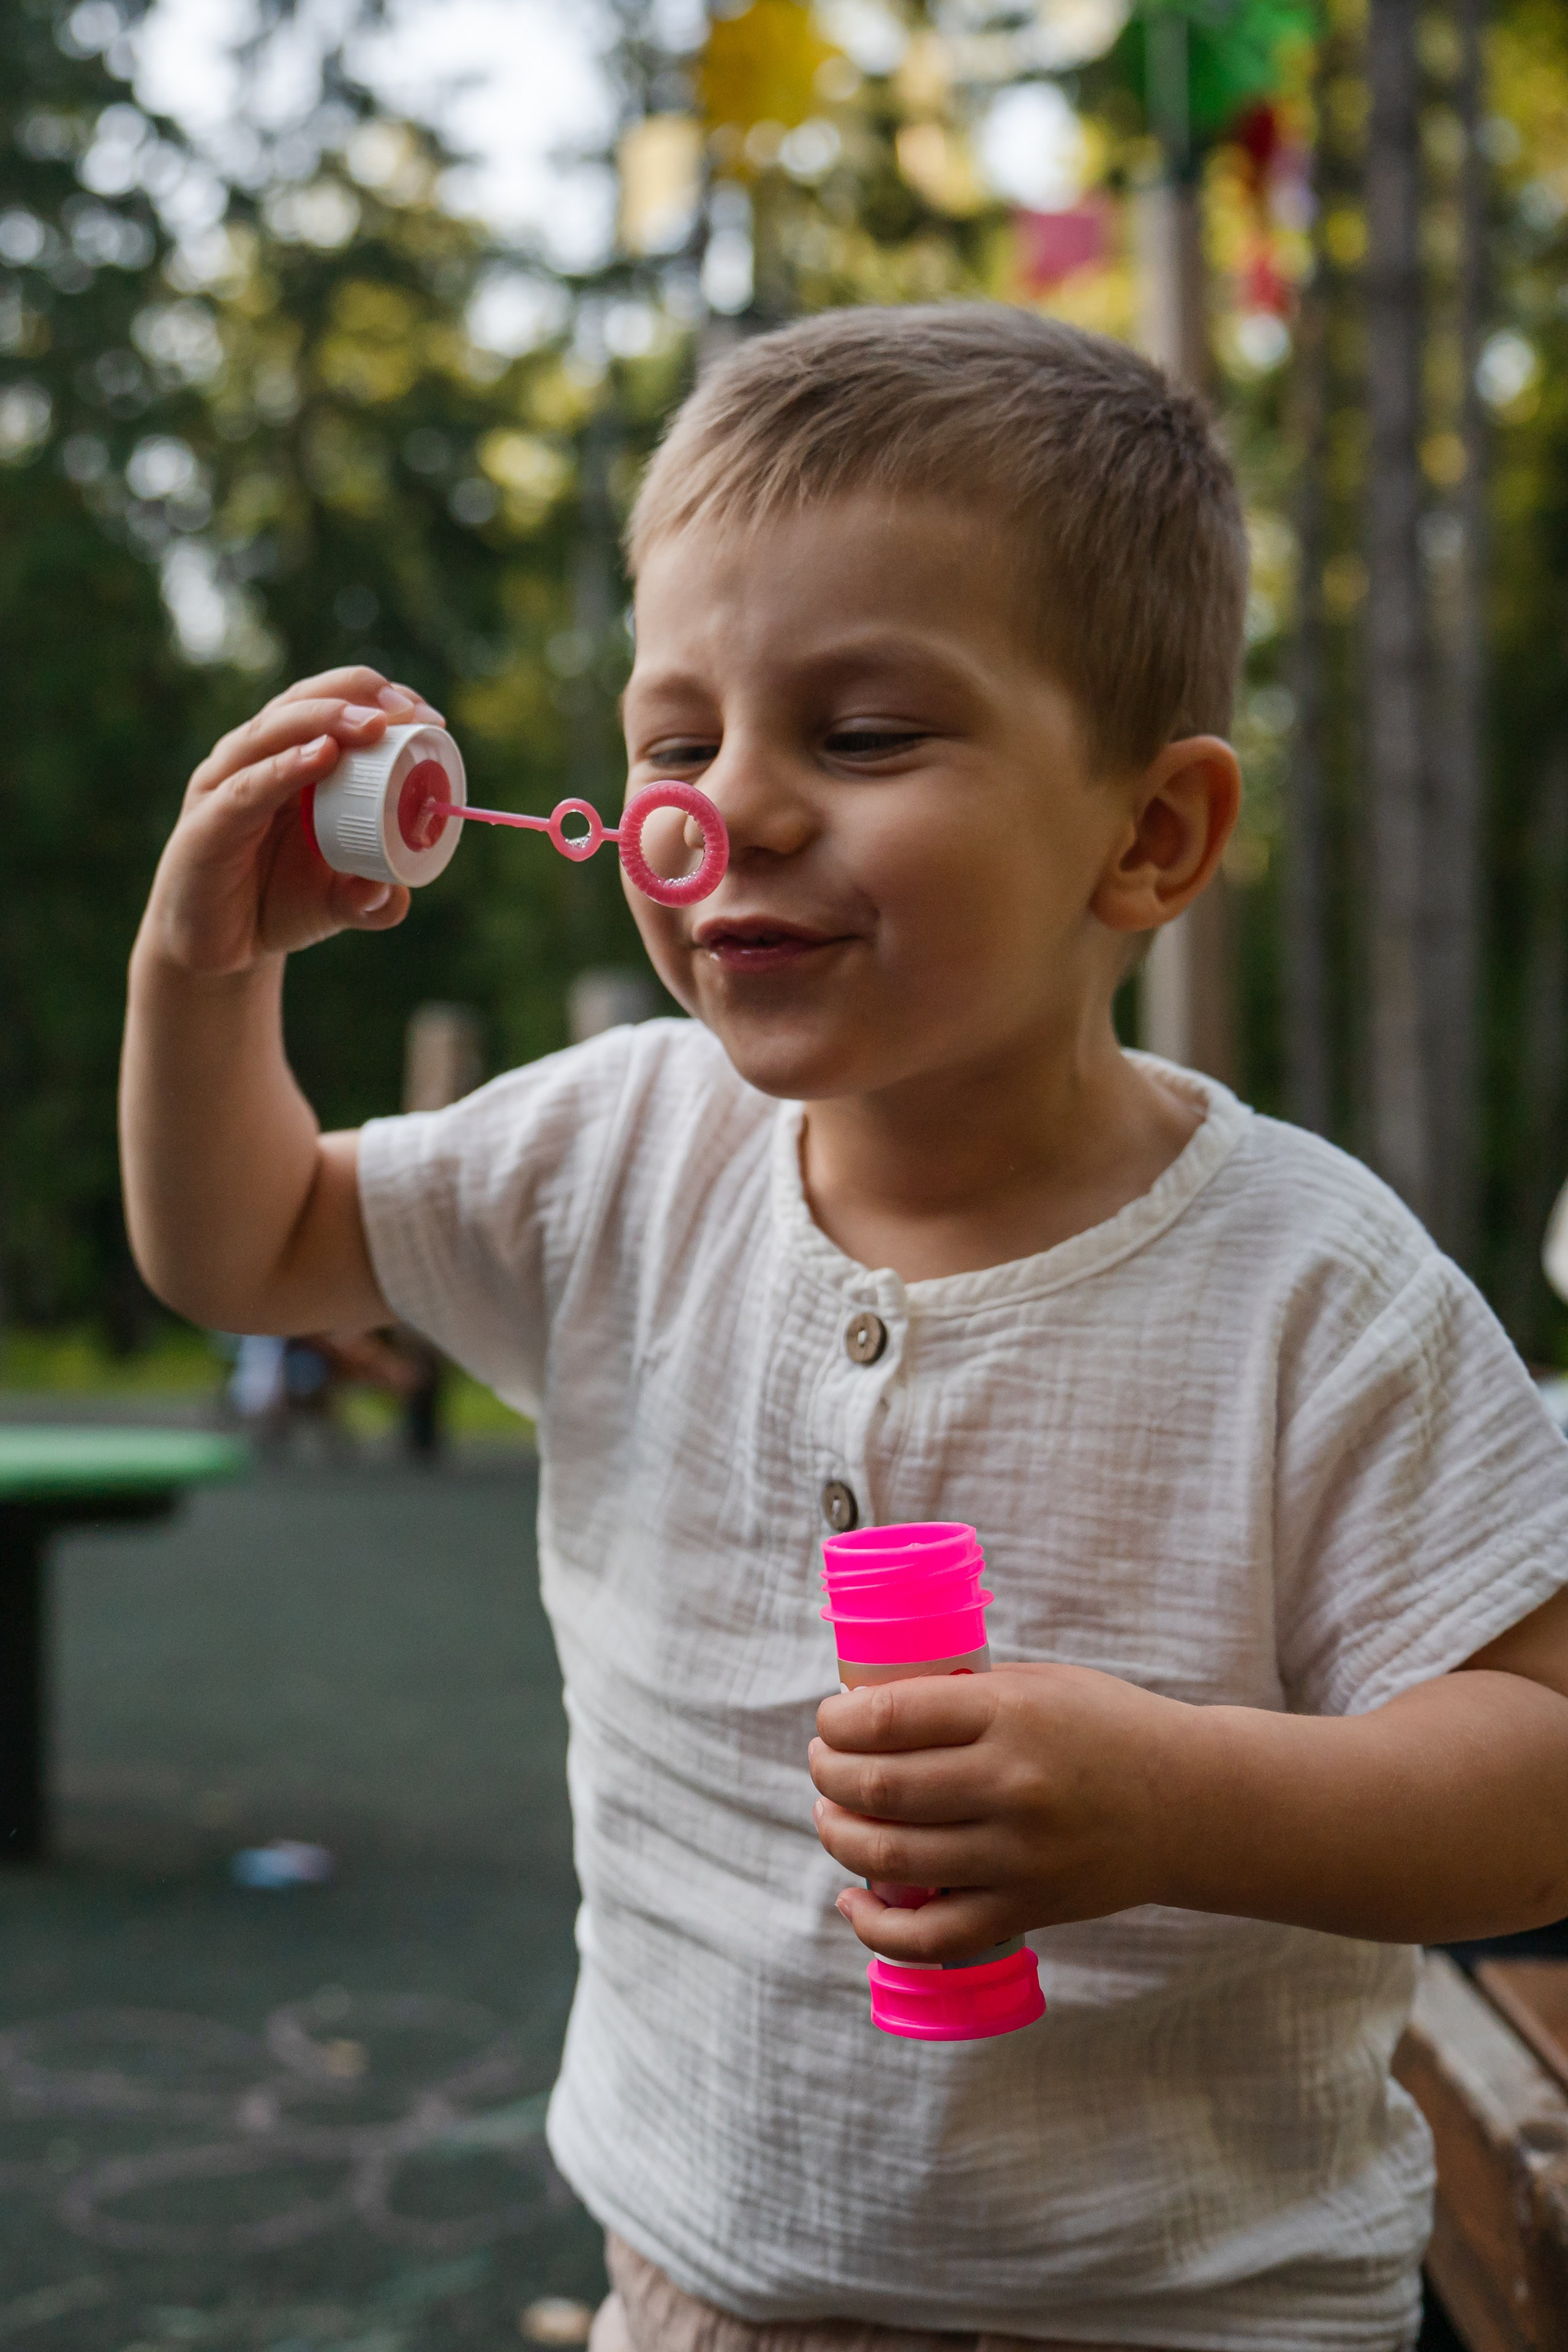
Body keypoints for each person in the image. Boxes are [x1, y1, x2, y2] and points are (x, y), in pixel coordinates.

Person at [119, 305, 1568, 2352]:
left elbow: (1539, 1767)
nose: (733, 811)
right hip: (712, 2289)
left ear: (1149, 836)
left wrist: (1178, 1803)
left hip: (1195, 2316)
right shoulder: (614, 1154)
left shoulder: (1312, 1283)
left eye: (866, 735)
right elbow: (247, 1244)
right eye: (674, 741)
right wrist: (202, 972)